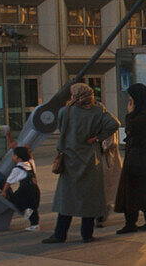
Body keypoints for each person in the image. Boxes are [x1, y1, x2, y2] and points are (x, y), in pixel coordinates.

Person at [42, 82, 120, 245]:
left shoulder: (65, 111)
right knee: (89, 198)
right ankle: (86, 234)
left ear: (75, 96)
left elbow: (61, 131)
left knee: (67, 198)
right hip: (91, 159)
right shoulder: (98, 110)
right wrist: (98, 137)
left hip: (70, 159)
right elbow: (115, 124)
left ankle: (60, 234)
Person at [114, 83, 146, 234]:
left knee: (133, 190)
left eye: (131, 98)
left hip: (140, 156)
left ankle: (132, 223)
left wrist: (130, 114)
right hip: (145, 156)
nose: (130, 101)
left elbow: (134, 129)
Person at [0, 146, 40, 231]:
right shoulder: (30, 163)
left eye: (14, 155)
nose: (12, 157)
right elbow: (31, 158)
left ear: (18, 158)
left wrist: (4, 192)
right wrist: (28, 151)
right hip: (35, 189)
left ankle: (26, 210)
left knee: (13, 199)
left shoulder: (17, 169)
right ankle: (34, 224)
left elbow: (8, 182)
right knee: (33, 207)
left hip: (25, 190)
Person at [96, 131, 122, 228]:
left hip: (106, 159)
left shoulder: (108, 121)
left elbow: (109, 143)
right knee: (103, 188)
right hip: (103, 158)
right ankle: (100, 213)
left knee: (106, 188)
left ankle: (101, 214)